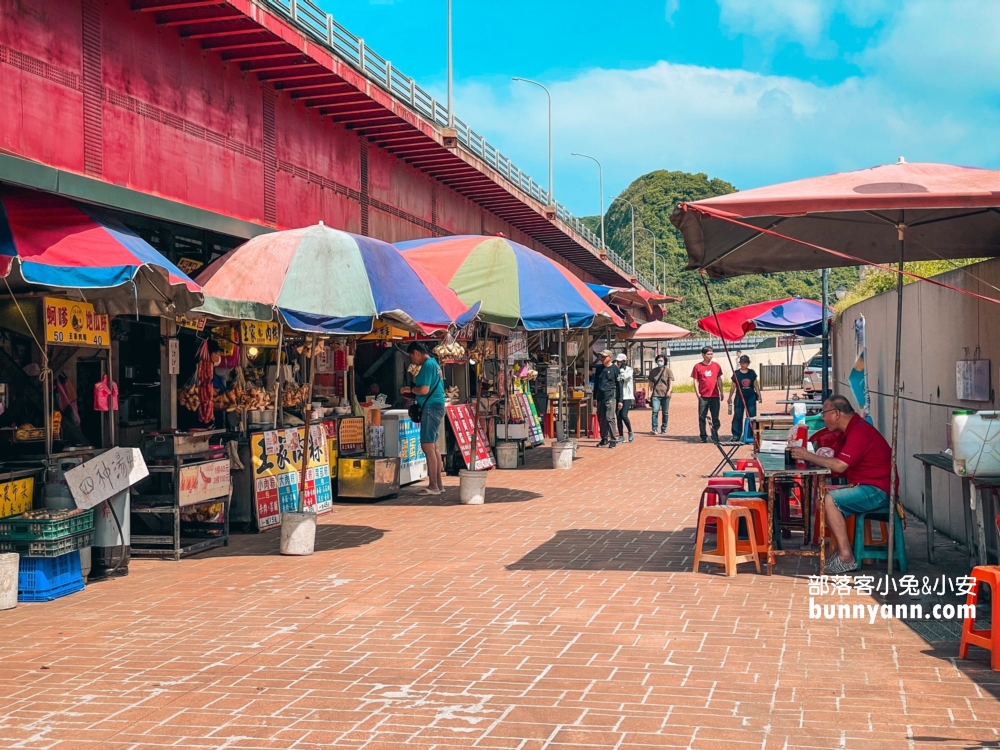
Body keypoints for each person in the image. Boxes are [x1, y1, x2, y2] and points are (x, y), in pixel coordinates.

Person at [790, 395, 892, 575]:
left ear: (836, 413)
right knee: (824, 498)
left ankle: (846, 556)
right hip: (864, 485)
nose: (823, 417)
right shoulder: (850, 431)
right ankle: (840, 550)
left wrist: (807, 455)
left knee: (830, 500)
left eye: (824, 413)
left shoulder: (860, 431)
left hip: (877, 489)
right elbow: (836, 461)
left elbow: (840, 465)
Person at [400, 342, 446, 495]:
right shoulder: (434, 363)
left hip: (430, 407)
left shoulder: (427, 365)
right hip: (437, 406)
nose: (412, 360)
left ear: (417, 352)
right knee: (434, 447)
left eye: (411, 356)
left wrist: (410, 389)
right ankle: (438, 484)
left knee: (427, 446)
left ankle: (433, 485)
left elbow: (424, 389)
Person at [691, 346, 723, 443]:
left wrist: (721, 391)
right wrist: (697, 393)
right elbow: (695, 380)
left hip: (715, 396)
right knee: (702, 417)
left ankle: (715, 433)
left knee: (715, 417)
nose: (710, 356)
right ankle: (703, 436)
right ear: (703, 354)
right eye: (708, 354)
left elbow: (719, 379)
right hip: (703, 396)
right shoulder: (698, 367)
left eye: (711, 354)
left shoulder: (716, 366)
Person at [728, 355, 761, 441]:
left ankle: (750, 434)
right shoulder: (736, 373)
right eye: (742, 363)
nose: (743, 365)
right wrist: (730, 397)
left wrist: (759, 395)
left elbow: (756, 385)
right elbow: (733, 386)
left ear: (748, 363)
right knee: (738, 416)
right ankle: (736, 434)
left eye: (745, 363)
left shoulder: (751, 373)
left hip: (750, 396)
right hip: (740, 397)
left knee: (751, 416)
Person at [594, 349, 621, 448]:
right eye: (601, 356)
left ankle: (613, 439)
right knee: (601, 418)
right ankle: (604, 438)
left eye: (604, 356)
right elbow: (596, 383)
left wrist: (620, 400)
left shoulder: (615, 369)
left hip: (610, 395)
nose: (602, 358)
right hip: (600, 396)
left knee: (610, 418)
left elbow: (619, 385)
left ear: (610, 357)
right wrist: (594, 398)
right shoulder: (599, 368)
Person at [648, 354, 674, 435]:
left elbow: (670, 382)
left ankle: (664, 428)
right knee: (655, 411)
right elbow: (650, 384)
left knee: (665, 412)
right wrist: (649, 394)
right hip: (656, 394)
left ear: (665, 361)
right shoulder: (653, 371)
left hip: (666, 395)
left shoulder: (668, 371)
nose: (660, 362)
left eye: (661, 361)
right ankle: (654, 428)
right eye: (658, 360)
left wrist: (669, 391)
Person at [615, 353, 635, 443]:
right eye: (617, 361)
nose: (618, 363)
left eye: (619, 361)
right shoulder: (616, 370)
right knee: (618, 416)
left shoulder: (629, 370)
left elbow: (626, 378)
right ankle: (621, 436)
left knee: (624, 415)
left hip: (626, 396)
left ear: (624, 362)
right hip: (618, 395)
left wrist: (621, 371)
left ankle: (630, 431)